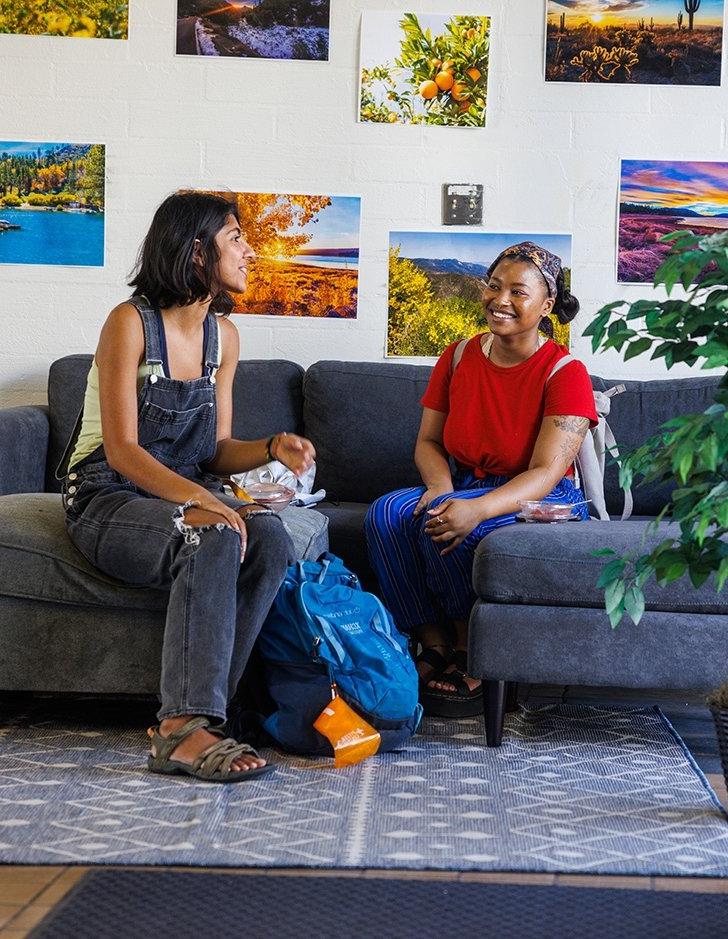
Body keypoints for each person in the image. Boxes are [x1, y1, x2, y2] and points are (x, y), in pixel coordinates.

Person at [57, 191, 316, 782]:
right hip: (106, 494)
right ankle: (180, 730)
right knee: (212, 536)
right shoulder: (130, 324)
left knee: (270, 537)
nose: (251, 251)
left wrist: (274, 446)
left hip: (180, 490)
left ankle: (213, 719)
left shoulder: (223, 337)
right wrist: (205, 502)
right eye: (236, 239)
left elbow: (217, 453)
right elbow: (122, 450)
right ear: (198, 252)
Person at [365, 242, 597, 718]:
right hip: (467, 480)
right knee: (386, 514)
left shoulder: (565, 371)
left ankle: (474, 652)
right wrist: (442, 489)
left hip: (542, 494)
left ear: (547, 305)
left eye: (518, 291)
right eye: (494, 286)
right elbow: (428, 442)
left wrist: (477, 508)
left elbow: (547, 471)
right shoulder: (458, 356)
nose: (500, 299)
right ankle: (433, 644)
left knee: (457, 526)